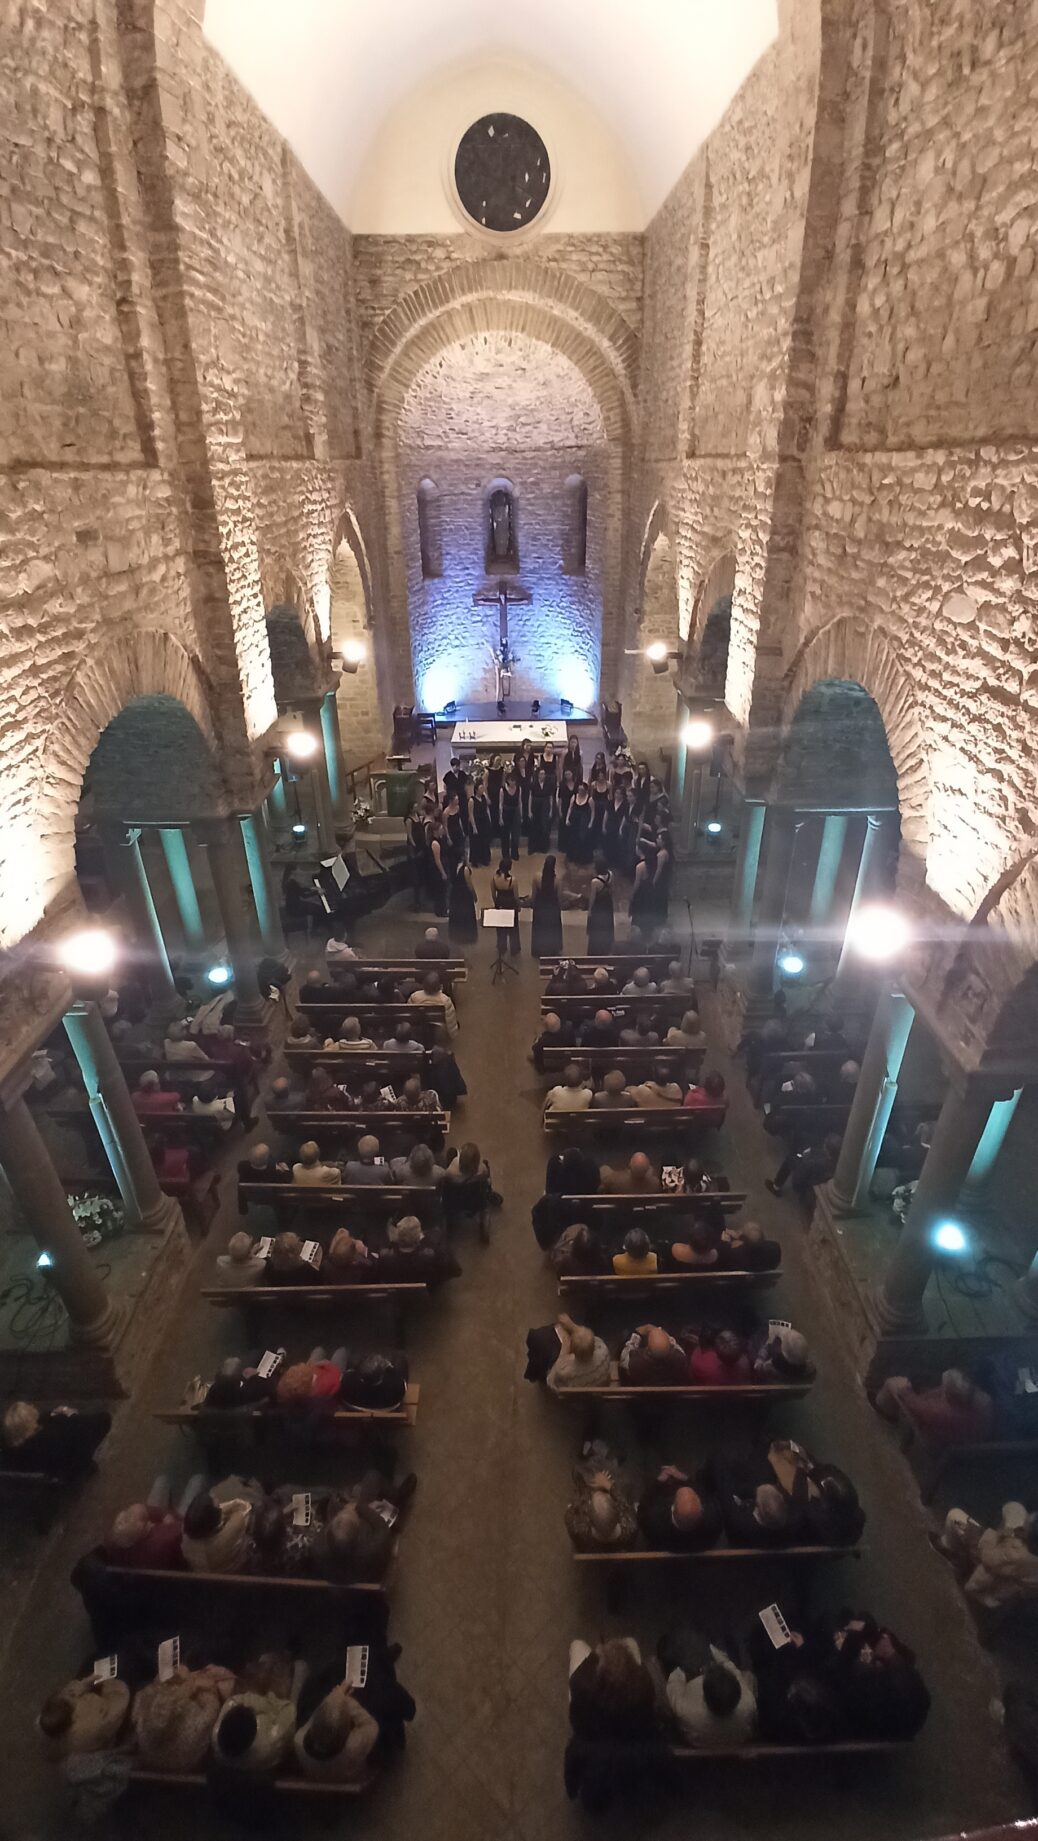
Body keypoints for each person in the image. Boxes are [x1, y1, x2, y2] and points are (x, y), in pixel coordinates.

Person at [133, 1663, 237, 1774]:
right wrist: (195, 1683)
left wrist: (190, 1681)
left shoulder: (148, 1705)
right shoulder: (205, 1711)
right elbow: (211, 1703)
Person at [932, 1502, 1038, 1608]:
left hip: (990, 1568)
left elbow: (989, 1559)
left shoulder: (1018, 1551)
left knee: (954, 1515)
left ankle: (950, 1551)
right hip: (1006, 1583)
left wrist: (1007, 1533)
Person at [212, 1661, 306, 1773]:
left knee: (267, 1660)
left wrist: (255, 1698)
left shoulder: (217, 1740)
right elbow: (289, 1710)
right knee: (301, 1667)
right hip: (277, 1705)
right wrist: (268, 1699)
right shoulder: (267, 1747)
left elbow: (233, 1701)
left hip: (263, 1702)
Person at [662, 1639, 757, 1748]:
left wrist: (682, 1667)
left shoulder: (685, 1711)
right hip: (736, 1740)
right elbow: (735, 1672)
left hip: (697, 1743)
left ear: (704, 1695)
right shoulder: (748, 1703)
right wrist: (714, 1651)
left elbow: (674, 1684)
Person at [871, 1367, 994, 1449]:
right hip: (963, 1439)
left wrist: (906, 1389)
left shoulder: (945, 1412)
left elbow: (915, 1406)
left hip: (933, 1441)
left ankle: (886, 1415)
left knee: (893, 1383)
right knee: (923, 1390)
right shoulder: (982, 1402)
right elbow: (940, 1392)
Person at [568, 1638, 657, 1743]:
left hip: (590, 1735)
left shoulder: (582, 1683)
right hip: (629, 1737)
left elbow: (576, 1712)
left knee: (577, 1645)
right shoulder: (645, 1688)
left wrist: (595, 1657)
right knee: (631, 1642)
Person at [1, 1400, 111, 1480]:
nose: (32, 1406)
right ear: (29, 1419)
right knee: (103, 1419)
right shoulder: (53, 1431)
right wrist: (70, 1414)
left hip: (52, 1472)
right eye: (29, 1407)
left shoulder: (14, 1452)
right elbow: (93, 1422)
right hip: (71, 1466)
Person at [293, 1681, 379, 1783]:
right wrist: (345, 1700)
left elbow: (316, 1717)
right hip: (348, 1777)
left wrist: (334, 1698)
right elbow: (370, 1724)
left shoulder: (298, 1740)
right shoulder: (353, 1747)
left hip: (317, 1775)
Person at [37, 1674, 131, 1759]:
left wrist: (82, 1685)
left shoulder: (56, 1726)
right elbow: (120, 1701)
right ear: (73, 1715)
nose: (75, 1695)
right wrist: (107, 1682)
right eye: (72, 1697)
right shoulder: (93, 1723)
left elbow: (66, 1694)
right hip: (122, 1718)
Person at [637, 1467, 723, 1551]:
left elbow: (643, 1507)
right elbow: (706, 1495)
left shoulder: (654, 1526)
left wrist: (658, 1482)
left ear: (672, 1507)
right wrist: (685, 1479)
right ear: (702, 1508)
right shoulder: (714, 1524)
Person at [181, 1486, 256, 1573]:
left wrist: (215, 1509)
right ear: (214, 1515)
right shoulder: (232, 1530)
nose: (217, 1499)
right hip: (234, 1571)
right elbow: (244, 1506)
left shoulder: (187, 1535)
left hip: (203, 1574)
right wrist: (221, 1509)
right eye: (217, 1504)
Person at [566, 1464, 638, 1551]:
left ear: (589, 1517)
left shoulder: (576, 1526)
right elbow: (624, 1504)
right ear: (618, 1511)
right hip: (617, 1547)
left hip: (590, 1547)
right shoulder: (631, 1526)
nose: (600, 1491)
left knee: (577, 1470)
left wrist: (592, 1489)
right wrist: (609, 1486)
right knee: (627, 1479)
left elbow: (572, 1507)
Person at [547, 1314, 612, 1391]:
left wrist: (564, 1349)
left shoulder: (565, 1371)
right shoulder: (603, 1351)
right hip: (600, 1386)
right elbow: (596, 1340)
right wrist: (573, 1326)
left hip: (576, 1392)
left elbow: (550, 1381)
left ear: (572, 1350)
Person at [339, 1350, 408, 1412]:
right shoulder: (397, 1385)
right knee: (400, 1357)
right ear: (382, 1375)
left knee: (353, 1358)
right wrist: (390, 1367)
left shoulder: (347, 1382)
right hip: (387, 1410)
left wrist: (358, 1365)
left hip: (353, 1408)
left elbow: (349, 1371)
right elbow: (400, 1378)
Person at [619, 1324, 688, 1385]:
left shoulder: (636, 1364)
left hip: (643, 1395)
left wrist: (636, 1334)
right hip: (673, 1395)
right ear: (670, 1349)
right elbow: (676, 1346)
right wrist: (661, 1333)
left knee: (625, 1333)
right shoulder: (680, 1360)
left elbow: (624, 1356)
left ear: (647, 1349)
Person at [531, 854, 563, 956]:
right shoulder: (557, 881)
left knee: (539, 929)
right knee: (551, 930)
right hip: (552, 908)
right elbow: (559, 898)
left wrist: (533, 905)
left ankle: (538, 949)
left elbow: (533, 895)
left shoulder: (537, 877)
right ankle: (552, 949)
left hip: (540, 907)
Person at [491, 857, 521, 955]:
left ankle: (501, 947)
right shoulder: (513, 880)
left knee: (500, 928)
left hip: (500, 903)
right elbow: (516, 897)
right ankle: (514, 948)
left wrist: (497, 904)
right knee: (513, 928)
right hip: (511, 904)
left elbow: (493, 895)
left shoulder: (494, 879)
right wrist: (518, 906)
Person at [586, 856, 615, 955]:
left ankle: (596, 949)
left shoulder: (595, 882)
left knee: (597, 928)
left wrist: (590, 910)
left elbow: (592, 897)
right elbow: (611, 890)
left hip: (598, 907)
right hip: (608, 904)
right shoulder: (611, 874)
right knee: (607, 926)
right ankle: (607, 947)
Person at [448, 859, 478, 947]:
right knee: (466, 913)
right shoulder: (465, 869)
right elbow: (469, 884)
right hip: (464, 894)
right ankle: (467, 936)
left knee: (457, 913)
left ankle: (456, 935)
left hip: (455, 893)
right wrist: (474, 895)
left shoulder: (453, 866)